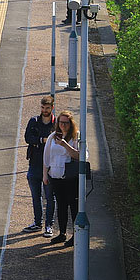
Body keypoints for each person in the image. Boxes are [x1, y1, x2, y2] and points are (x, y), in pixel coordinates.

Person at [43, 109, 79, 246]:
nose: (63, 125)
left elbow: (79, 155)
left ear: (71, 124)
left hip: (69, 177)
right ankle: (62, 233)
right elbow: (46, 157)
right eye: (61, 122)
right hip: (55, 176)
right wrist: (45, 175)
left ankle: (76, 235)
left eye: (66, 123)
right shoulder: (53, 137)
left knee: (73, 206)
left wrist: (64, 144)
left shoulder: (75, 137)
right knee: (61, 205)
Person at [23, 95, 55, 233]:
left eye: (47, 108)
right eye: (42, 107)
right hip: (35, 164)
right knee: (36, 196)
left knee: (49, 197)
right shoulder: (34, 121)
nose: (44, 110)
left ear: (52, 108)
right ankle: (37, 222)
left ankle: (49, 225)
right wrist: (41, 140)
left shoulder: (56, 124)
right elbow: (27, 138)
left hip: (50, 166)